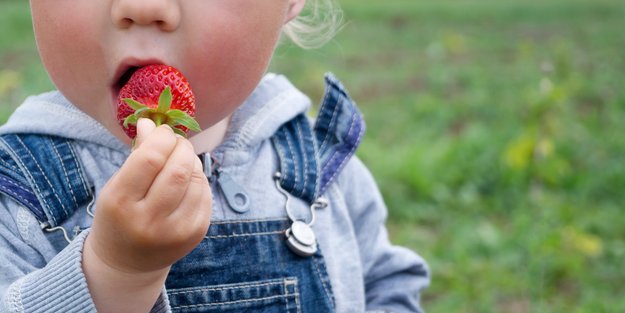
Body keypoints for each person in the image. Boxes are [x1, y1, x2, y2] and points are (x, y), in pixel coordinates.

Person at [0, 0, 429, 312]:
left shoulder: (318, 162)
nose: (143, 7)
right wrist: (113, 273)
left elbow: (384, 283)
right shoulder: (19, 191)